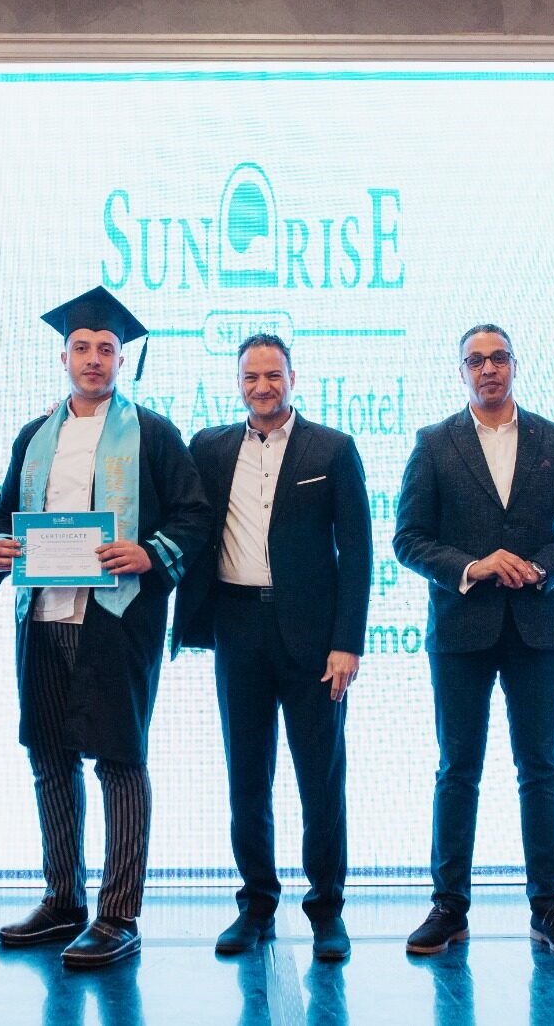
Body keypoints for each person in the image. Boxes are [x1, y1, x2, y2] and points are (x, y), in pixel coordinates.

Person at [0, 286, 211, 969]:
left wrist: (150, 553)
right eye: (81, 347)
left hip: (117, 620)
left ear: (120, 358)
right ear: (63, 357)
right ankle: (63, 900)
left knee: (119, 760)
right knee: (50, 758)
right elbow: (4, 516)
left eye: (106, 349)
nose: (93, 359)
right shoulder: (34, 437)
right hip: (42, 618)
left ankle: (118, 914)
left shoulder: (153, 434)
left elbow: (195, 516)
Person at [393, 324, 554, 959]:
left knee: (540, 768)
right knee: (458, 768)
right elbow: (408, 539)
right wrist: (472, 566)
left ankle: (549, 907)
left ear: (515, 365)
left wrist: (539, 567)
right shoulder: (435, 443)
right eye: (476, 360)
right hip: (461, 628)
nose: (488, 369)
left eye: (498, 358)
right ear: (461, 372)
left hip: (539, 627)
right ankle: (448, 907)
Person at [173, 332, 371, 962]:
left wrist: (347, 643)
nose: (262, 386)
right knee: (247, 777)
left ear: (292, 378)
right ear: (238, 383)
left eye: (273, 375)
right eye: (251, 377)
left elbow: (358, 555)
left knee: (321, 778)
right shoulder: (209, 447)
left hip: (313, 639)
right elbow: (167, 493)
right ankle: (256, 904)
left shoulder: (332, 448)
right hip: (237, 627)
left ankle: (326, 911)